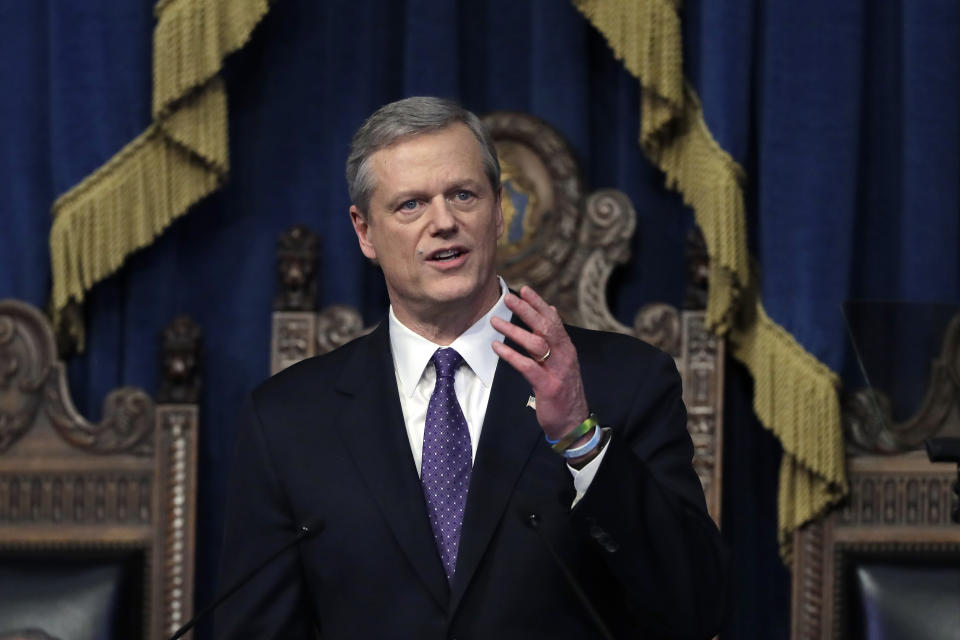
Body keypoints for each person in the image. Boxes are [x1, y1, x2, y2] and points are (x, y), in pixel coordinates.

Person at [215, 97, 729, 639]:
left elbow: (696, 608)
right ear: (365, 231)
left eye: (463, 195)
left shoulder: (625, 381)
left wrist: (581, 439)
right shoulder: (287, 420)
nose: (444, 222)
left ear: (499, 209)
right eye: (411, 204)